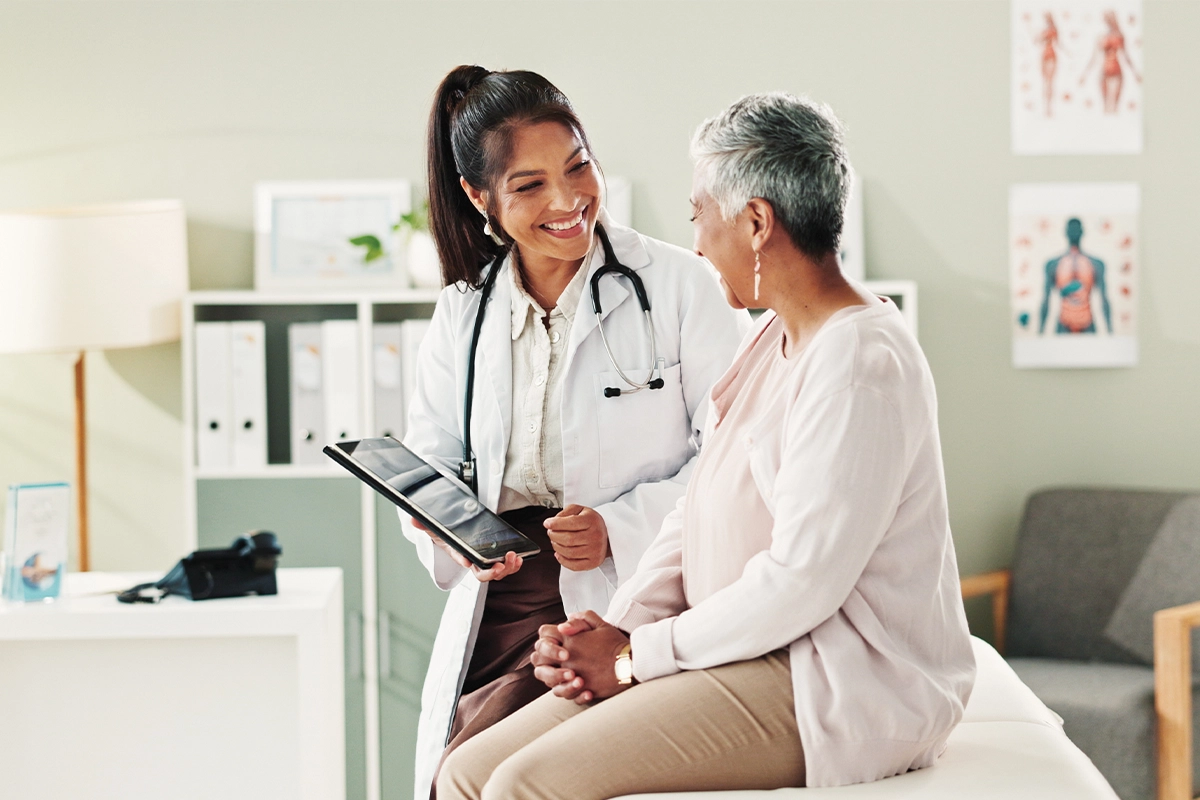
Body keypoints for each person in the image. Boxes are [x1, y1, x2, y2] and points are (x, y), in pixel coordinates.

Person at [437, 92, 976, 800]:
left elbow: (801, 581)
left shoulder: (860, 362)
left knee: (524, 785)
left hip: (828, 678)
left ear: (755, 222)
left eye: (700, 215)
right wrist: (612, 627)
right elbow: (693, 516)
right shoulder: (771, 339)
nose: (694, 242)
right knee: (466, 772)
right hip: (740, 651)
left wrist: (635, 658)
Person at [401, 65, 747, 798]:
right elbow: (433, 459)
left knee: (512, 777)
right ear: (479, 197)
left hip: (628, 589)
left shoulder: (684, 287)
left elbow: (738, 456)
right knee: (461, 772)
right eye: (529, 187)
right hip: (501, 602)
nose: (567, 201)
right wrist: (440, 526)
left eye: (579, 167)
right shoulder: (464, 312)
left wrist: (619, 527)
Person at [1038, 217, 1112, 335]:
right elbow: (1046, 300)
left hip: (1087, 324)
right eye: (1071, 230)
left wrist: (1110, 332)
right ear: (1065, 232)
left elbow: (1104, 299)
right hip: (1063, 323)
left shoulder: (1096, 264)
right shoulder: (1053, 264)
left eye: (1076, 229)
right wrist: (1039, 333)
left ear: (1082, 232)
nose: (1074, 232)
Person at [1080, 10, 1141, 114]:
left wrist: (1135, 73)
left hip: (1116, 69)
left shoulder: (1119, 36)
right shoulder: (1101, 36)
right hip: (1105, 70)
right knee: (1105, 106)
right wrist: (1084, 74)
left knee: (1115, 107)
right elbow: (1094, 58)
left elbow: (1126, 56)